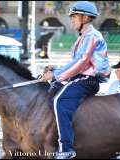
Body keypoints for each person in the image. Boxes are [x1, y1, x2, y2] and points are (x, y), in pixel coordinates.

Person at [41, 1, 110, 159]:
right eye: (71, 16)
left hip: (88, 81)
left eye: (74, 16)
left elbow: (81, 62)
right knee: (52, 89)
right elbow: (76, 63)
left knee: (59, 101)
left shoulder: (92, 36)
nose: (71, 19)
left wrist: (56, 74)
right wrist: (55, 71)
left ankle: (66, 149)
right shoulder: (83, 36)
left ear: (85, 18)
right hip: (81, 77)